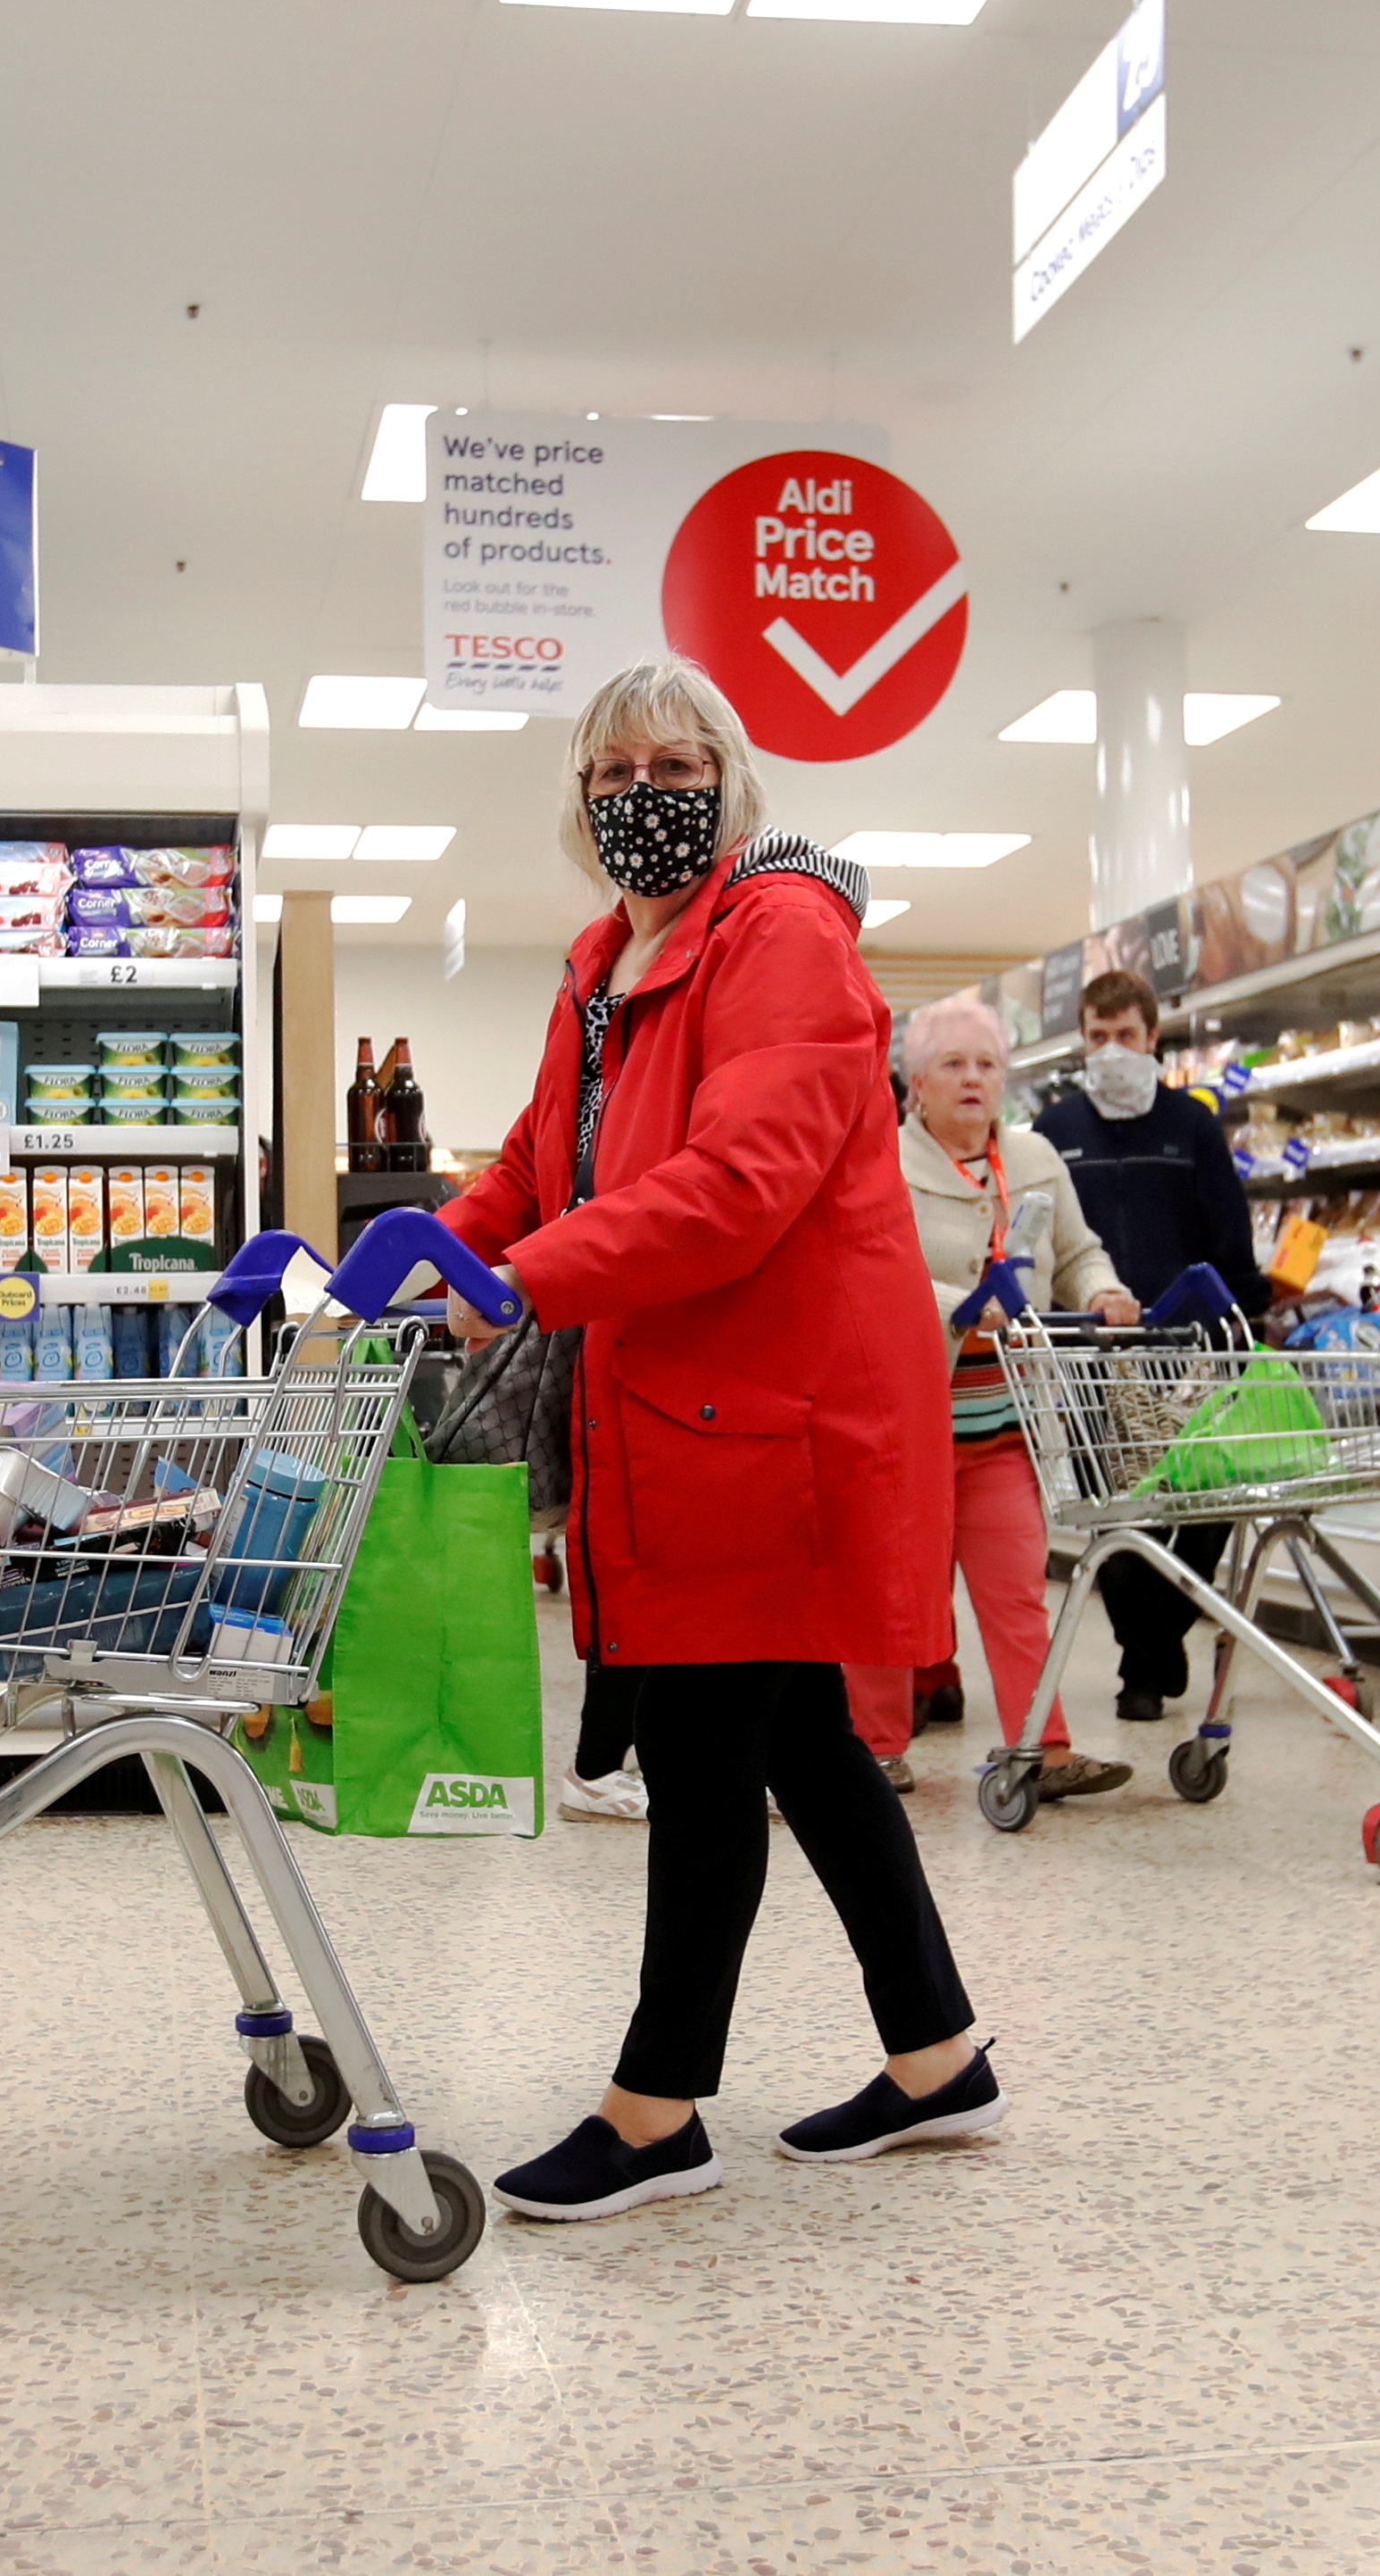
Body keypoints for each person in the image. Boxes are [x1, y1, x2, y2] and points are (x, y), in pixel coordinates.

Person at [436, 659, 995, 2224]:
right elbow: (543, 1170)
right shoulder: (601, 965)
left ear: (732, 779)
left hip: (772, 1413)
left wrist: (523, 1278)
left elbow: (747, 1180)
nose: (641, 793)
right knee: (803, 1743)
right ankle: (939, 2050)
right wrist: (425, 1245)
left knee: (700, 1751)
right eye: (610, 773)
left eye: (673, 762)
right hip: (684, 1406)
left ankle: (656, 2103)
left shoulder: (787, 938)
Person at [860, 993, 1135, 1803]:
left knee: (1017, 1593)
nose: (973, 1079)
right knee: (891, 1595)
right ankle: (873, 1752)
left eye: (986, 1064)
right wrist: (957, 1299)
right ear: (917, 1080)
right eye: (953, 1064)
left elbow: (1078, 1252)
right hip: (907, 1426)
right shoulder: (884, 1162)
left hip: (1006, 1424)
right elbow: (874, 1270)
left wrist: (1107, 1288)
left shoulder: (1036, 1157)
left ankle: (1040, 1749)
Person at [1033, 967, 1268, 1721]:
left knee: (1207, 1503)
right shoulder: (1055, 1133)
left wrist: (1240, 1333)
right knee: (1112, 1512)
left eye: (1125, 1036)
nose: (1111, 1051)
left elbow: (1231, 1242)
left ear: (1153, 1037)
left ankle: (1157, 1639)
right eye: (1097, 1037)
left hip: (1189, 1353)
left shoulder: (1193, 1127)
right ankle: (1145, 1663)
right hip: (1091, 1356)